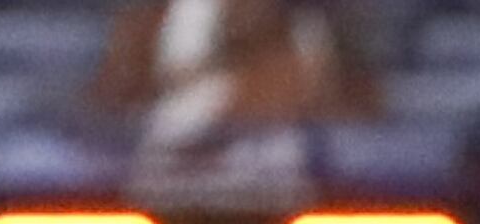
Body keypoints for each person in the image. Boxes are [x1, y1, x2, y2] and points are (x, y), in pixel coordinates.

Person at [89, 0, 379, 184]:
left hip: (278, 193)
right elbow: (105, 112)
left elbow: (364, 128)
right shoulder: (146, 26)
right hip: (168, 193)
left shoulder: (314, 39)